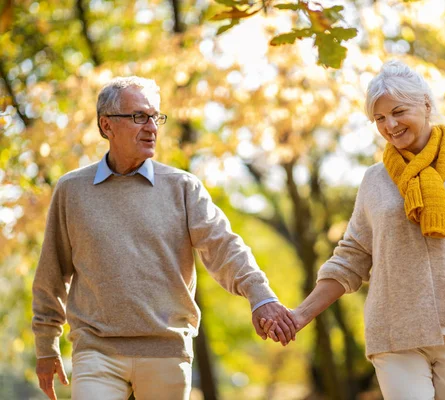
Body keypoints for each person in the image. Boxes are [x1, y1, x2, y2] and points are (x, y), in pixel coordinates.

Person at [262, 61, 445, 399]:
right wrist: (300, 314)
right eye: (379, 119)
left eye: (398, 112)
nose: (390, 125)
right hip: (395, 331)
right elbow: (352, 257)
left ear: (426, 105)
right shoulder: (374, 180)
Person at [32, 76, 298, 400]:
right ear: (106, 126)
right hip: (96, 349)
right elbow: (51, 274)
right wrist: (46, 346)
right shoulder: (71, 191)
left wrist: (261, 297)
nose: (151, 127)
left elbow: (224, 246)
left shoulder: (183, 188)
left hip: (166, 350)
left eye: (155, 117)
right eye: (139, 117)